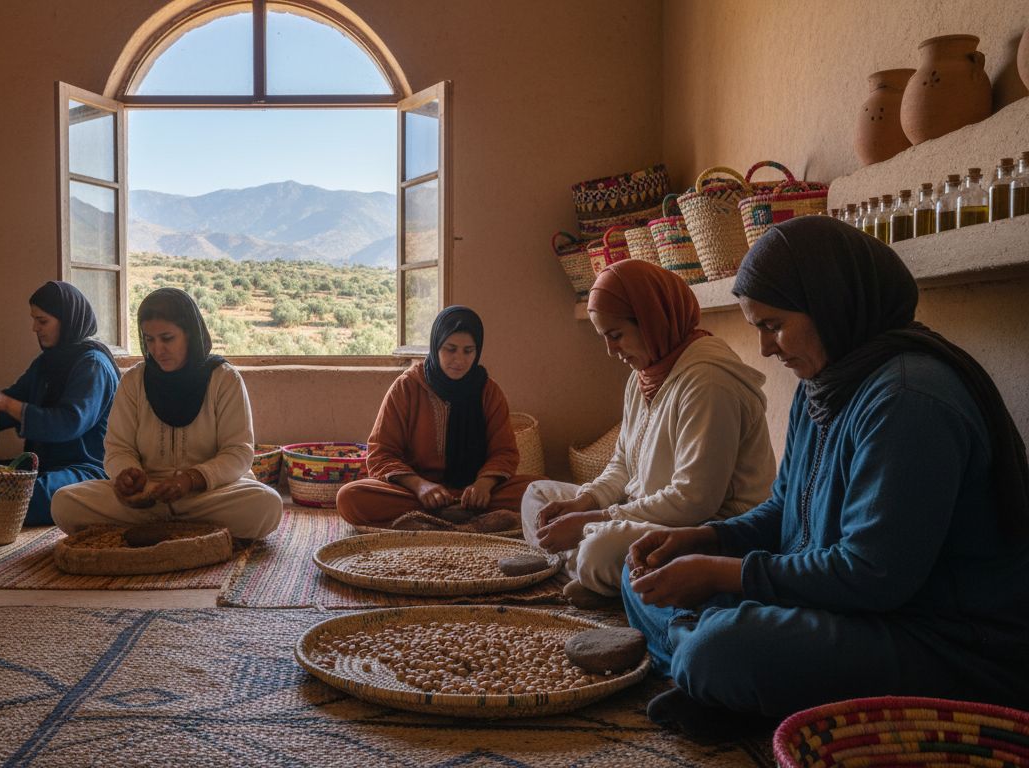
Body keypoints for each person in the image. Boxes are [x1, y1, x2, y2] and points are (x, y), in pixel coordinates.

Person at [621, 216, 1029, 741]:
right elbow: (783, 511)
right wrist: (705, 538)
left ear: (832, 304)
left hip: (939, 638)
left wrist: (726, 575)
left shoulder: (908, 401)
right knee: (642, 582)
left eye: (773, 325)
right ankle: (725, 683)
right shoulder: (825, 382)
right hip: (836, 605)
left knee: (719, 648)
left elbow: (873, 577)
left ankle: (713, 672)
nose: (767, 348)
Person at [521, 259, 774, 607]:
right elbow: (623, 464)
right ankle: (602, 581)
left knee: (597, 550)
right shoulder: (644, 375)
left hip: (703, 527)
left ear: (653, 320)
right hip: (641, 511)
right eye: (604, 338)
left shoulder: (709, 383)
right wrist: (584, 502)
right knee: (536, 494)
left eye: (616, 335)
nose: (611, 351)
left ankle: (596, 576)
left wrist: (591, 523)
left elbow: (693, 501)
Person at [51, 288, 281, 540]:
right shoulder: (134, 381)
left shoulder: (223, 379)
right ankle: (195, 533)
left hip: (206, 496)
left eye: (167, 338)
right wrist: (128, 476)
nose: (157, 349)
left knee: (266, 505)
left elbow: (238, 453)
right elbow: (118, 448)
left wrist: (191, 480)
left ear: (190, 335)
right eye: (149, 339)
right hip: (146, 500)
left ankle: (154, 531)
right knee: (64, 502)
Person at [336, 305, 541, 529]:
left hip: (473, 496)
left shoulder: (488, 391)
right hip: (416, 494)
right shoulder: (407, 387)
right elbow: (381, 453)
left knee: (541, 490)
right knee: (351, 497)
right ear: (435, 346)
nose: (459, 360)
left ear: (478, 350)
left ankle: (428, 523)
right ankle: (471, 524)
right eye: (450, 349)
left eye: (468, 351)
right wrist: (420, 485)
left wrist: (484, 484)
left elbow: (504, 452)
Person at [0, 280, 119, 526]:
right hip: (44, 466)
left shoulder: (93, 365)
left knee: (25, 496)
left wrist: (7, 404)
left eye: (43, 321)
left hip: (87, 470)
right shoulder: (46, 363)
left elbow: (68, 423)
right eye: (34, 320)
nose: (34, 328)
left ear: (68, 320)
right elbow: (14, 400)